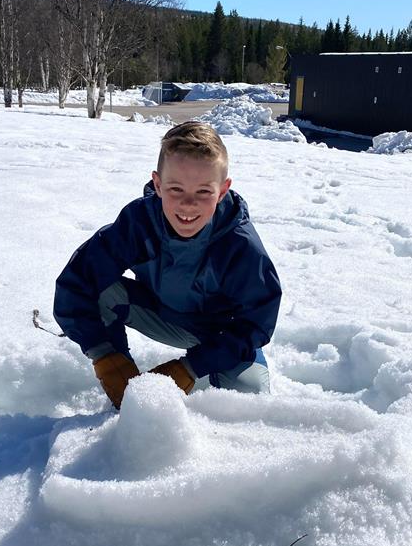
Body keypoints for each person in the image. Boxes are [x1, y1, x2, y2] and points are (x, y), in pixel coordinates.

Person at [53, 121, 282, 409]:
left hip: (222, 332)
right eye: (175, 189)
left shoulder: (239, 244)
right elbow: (77, 281)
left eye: (203, 192)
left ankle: (218, 371)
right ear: (158, 184)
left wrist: (192, 367)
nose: (188, 205)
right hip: (164, 316)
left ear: (222, 191)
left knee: (247, 404)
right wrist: (103, 354)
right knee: (100, 289)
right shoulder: (139, 223)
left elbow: (257, 322)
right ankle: (122, 378)